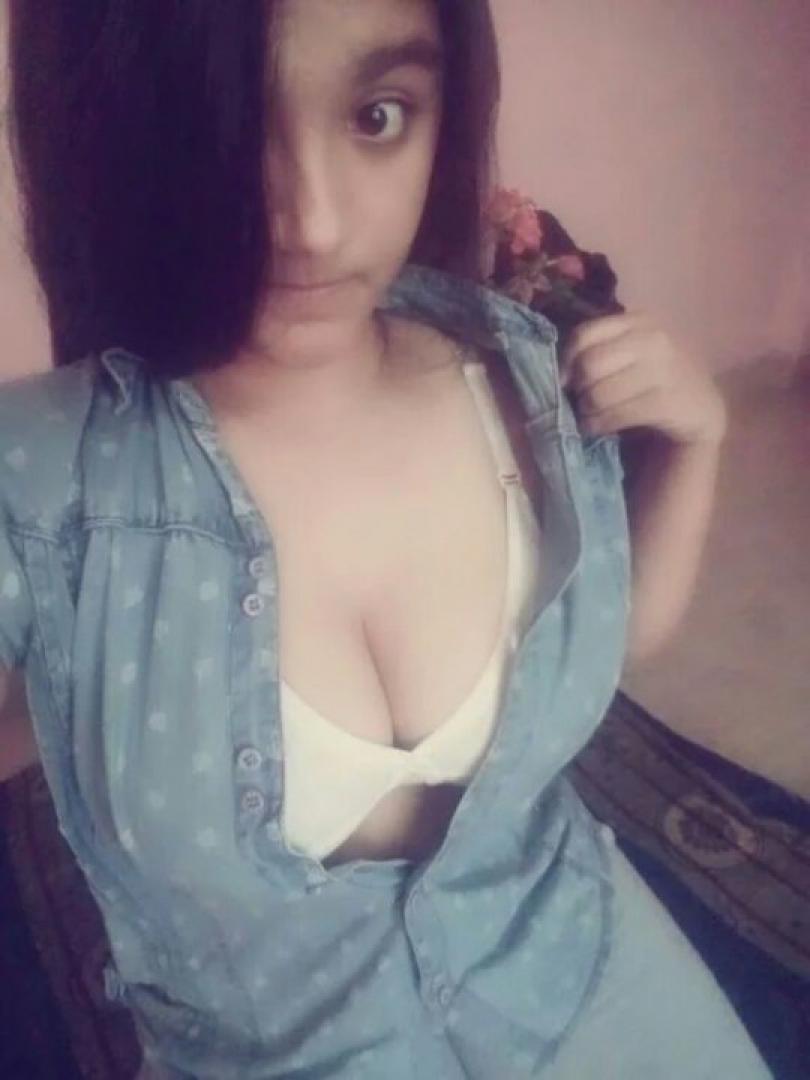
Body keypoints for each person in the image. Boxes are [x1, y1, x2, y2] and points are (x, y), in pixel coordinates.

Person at [0, 1, 772, 1077]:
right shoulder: (38, 481)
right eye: (230, 127)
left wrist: (698, 441)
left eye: (376, 115)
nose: (313, 223)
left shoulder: (522, 377)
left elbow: (613, 641)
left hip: (569, 957)